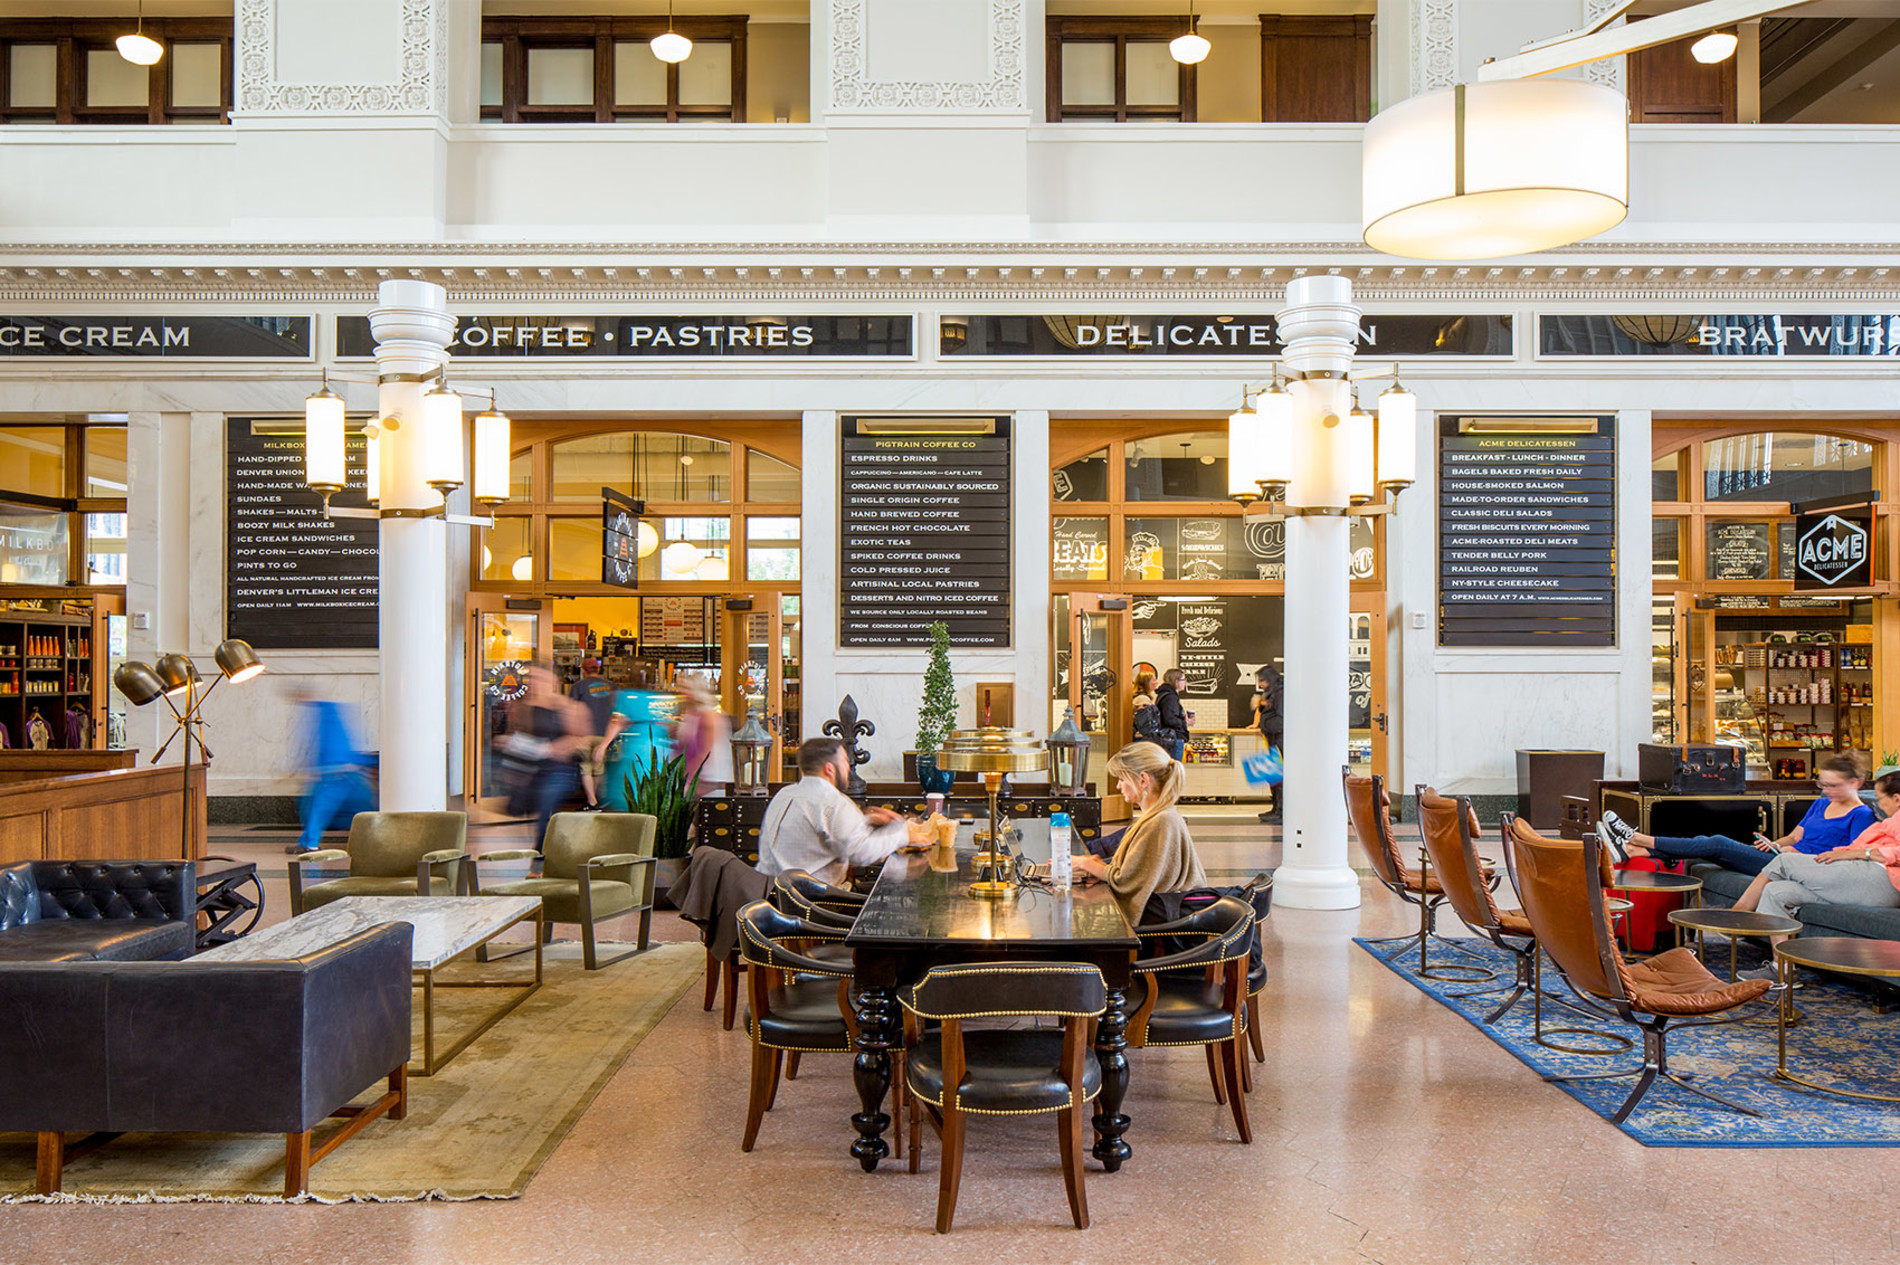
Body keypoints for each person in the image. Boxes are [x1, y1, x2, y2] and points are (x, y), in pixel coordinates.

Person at [1599, 754, 1875, 877]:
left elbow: (1848, 858)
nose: (1826, 790)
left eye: (1833, 785)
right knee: (1706, 846)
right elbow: (1795, 836)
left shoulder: (1861, 815)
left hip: (1805, 868)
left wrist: (1797, 856)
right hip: (1782, 858)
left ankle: (1635, 838)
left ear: (1856, 783)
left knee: (1716, 842)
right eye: (1823, 784)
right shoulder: (1821, 803)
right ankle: (1631, 851)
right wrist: (1776, 844)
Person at [1730, 770, 1900, 947]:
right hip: (1857, 880)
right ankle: (1782, 966)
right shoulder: (1887, 822)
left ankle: (1736, 918)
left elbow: (1873, 852)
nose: (1878, 805)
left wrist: (1859, 854)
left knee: (1783, 861)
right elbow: (1849, 848)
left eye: (1880, 799)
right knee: (1776, 891)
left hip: (1883, 881)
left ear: (1897, 799)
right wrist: (1832, 856)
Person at [757, 737, 930, 885]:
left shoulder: (784, 795)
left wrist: (867, 821)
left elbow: (818, 830)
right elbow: (861, 853)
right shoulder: (833, 802)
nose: (848, 767)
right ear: (830, 769)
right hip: (813, 904)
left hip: (769, 895)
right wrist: (904, 836)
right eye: (845, 761)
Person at [1074, 741, 1209, 924]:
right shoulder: (1160, 815)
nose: (1118, 787)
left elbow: (1126, 882)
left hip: (1159, 919)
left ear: (1143, 780)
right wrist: (1096, 866)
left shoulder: (1160, 821)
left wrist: (1088, 864)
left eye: (1122, 779)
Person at [288, 688, 377, 855]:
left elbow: (327, 747)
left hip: (333, 773)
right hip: (347, 772)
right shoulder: (333, 715)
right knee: (361, 806)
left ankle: (310, 843)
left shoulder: (325, 713)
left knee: (319, 810)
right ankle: (377, 838)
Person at [512, 664, 590, 846]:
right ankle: (547, 855)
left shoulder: (567, 706)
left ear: (553, 681)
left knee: (545, 815)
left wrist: (550, 749)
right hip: (534, 769)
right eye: (531, 678)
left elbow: (581, 737)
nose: (534, 683)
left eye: (540, 678)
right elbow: (520, 733)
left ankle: (540, 863)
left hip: (559, 771)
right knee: (536, 814)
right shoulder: (524, 706)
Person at [601, 668, 672, 812]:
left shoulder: (625, 696)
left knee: (631, 780)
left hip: (635, 744)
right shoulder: (655, 697)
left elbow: (618, 722)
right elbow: (666, 724)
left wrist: (603, 745)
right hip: (655, 743)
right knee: (651, 780)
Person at [569, 657, 618, 811]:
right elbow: (617, 711)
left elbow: (571, 711)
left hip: (584, 734)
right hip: (605, 735)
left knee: (586, 769)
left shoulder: (578, 686)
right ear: (598, 670)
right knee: (599, 768)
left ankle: (592, 801)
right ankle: (595, 799)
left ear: (583, 670)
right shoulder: (611, 686)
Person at [673, 673, 734, 796]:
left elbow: (706, 751)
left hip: (708, 780)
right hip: (697, 777)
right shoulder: (693, 714)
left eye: (687, 689)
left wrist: (690, 778)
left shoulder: (708, 717)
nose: (682, 692)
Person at [1254, 663, 1284, 824]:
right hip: (1273, 738)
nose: (1260, 684)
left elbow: (1280, 719)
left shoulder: (1280, 694)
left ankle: (1280, 810)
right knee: (1273, 775)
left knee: (1278, 776)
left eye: (1262, 681)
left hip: (1278, 739)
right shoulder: (1272, 693)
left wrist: (1265, 727)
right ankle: (1275, 808)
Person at [1153, 668, 1190, 762]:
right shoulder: (1171, 697)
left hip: (1168, 738)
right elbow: (1169, 719)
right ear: (1176, 681)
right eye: (1183, 679)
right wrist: (1184, 722)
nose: (1185, 682)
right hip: (1174, 738)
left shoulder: (1164, 694)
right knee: (1174, 769)